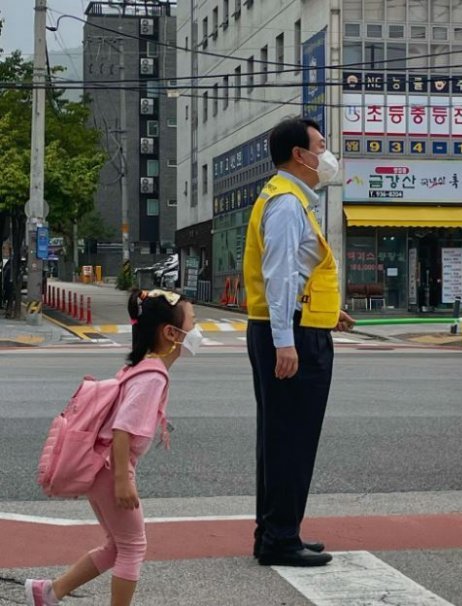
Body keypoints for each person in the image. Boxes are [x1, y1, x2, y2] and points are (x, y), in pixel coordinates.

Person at [25, 289, 202, 606]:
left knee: (117, 546)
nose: (197, 329)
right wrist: (123, 480)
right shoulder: (153, 377)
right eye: (193, 321)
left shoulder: (143, 368)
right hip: (112, 470)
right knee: (134, 546)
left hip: (103, 467)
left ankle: (49, 592)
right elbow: (122, 430)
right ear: (171, 333)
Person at [243, 117, 355, 567]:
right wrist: (286, 341)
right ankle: (280, 538)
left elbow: (300, 273)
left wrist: (329, 313)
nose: (326, 156)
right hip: (289, 334)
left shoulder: (287, 199)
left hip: (293, 326)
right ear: (299, 155)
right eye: (321, 146)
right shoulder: (288, 204)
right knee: (291, 437)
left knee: (279, 437)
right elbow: (280, 274)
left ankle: (274, 531)